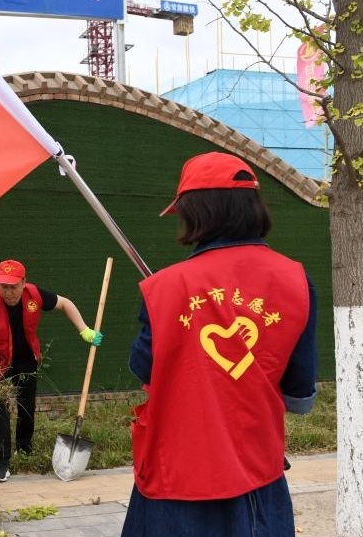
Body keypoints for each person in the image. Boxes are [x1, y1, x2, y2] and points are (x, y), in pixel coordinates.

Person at [121, 152, 318, 536]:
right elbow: (300, 397)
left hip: (175, 481)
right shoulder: (296, 280)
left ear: (196, 212)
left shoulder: (165, 288)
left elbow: (141, 367)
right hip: (256, 480)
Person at [0, 259, 101, 483]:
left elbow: (65, 303)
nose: (8, 292)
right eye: (3, 287)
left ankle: (24, 449)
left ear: (23, 282)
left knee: (26, 406)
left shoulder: (34, 294)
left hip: (26, 360)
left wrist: (85, 330)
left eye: (13, 286)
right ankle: (1, 465)